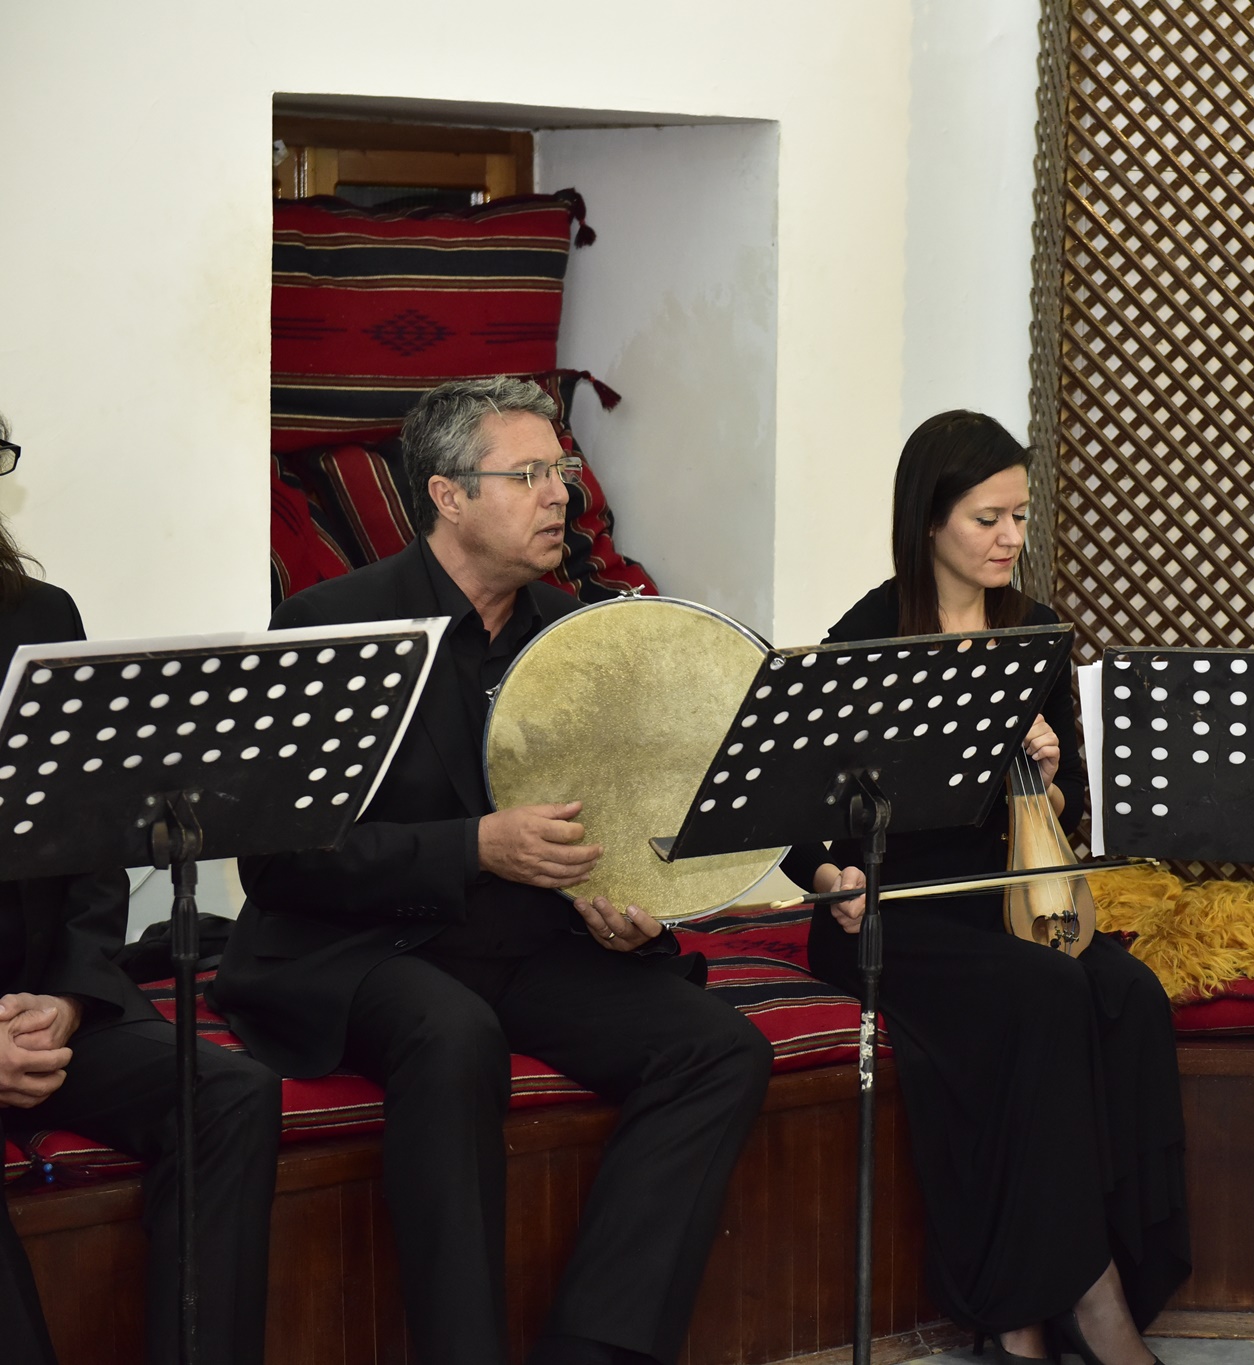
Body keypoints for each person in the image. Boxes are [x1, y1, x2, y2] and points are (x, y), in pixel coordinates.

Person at [211, 377, 772, 1365]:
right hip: (360, 946)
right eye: (528, 475)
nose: (560, 495)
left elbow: (607, 818)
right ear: (448, 495)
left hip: (523, 939)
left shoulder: (574, 630)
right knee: (452, 1033)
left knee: (718, 1049)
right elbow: (281, 860)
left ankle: (594, 1348)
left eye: (561, 472)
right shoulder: (334, 623)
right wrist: (473, 845)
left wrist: (620, 902)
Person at [785, 410, 1189, 1365]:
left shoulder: (1033, 630)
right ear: (929, 521)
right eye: (988, 518)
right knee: (1044, 993)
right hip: (894, 914)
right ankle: (1074, 1300)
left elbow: (1073, 807)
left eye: (1020, 515)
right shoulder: (870, 633)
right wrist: (834, 877)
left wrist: (1047, 776)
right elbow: (796, 819)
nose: (1012, 536)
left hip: (1009, 902)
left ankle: (1079, 1287)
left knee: (1130, 994)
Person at [0, 412, 281, 1365]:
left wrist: (72, 998)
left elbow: (92, 848)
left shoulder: (40, 617)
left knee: (229, 1095)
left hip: (48, 1006)